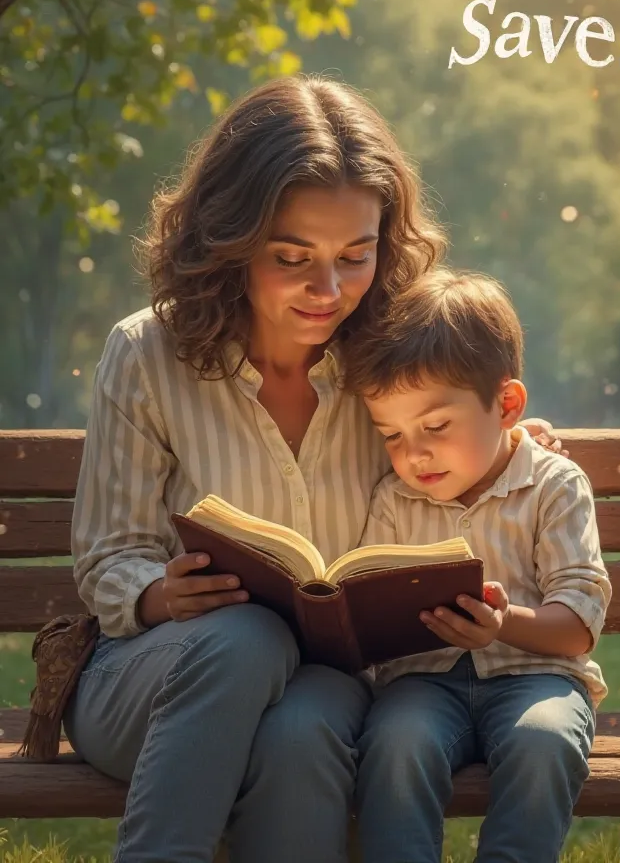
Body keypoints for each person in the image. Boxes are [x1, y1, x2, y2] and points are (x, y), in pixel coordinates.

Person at [64, 74, 565, 863]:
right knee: (245, 640)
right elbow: (106, 559)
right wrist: (160, 594)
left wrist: (506, 443)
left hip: (326, 683)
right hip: (156, 679)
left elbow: (467, 425)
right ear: (228, 241)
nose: (327, 290)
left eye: (355, 256)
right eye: (292, 257)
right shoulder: (148, 353)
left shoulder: (390, 363)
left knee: (304, 732)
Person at [343, 267, 612, 863]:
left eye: (436, 426)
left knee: (545, 743)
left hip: (535, 677)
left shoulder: (554, 485)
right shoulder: (393, 499)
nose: (414, 453)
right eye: (391, 434)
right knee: (394, 744)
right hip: (422, 685)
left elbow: (577, 623)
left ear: (507, 404)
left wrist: (503, 623)